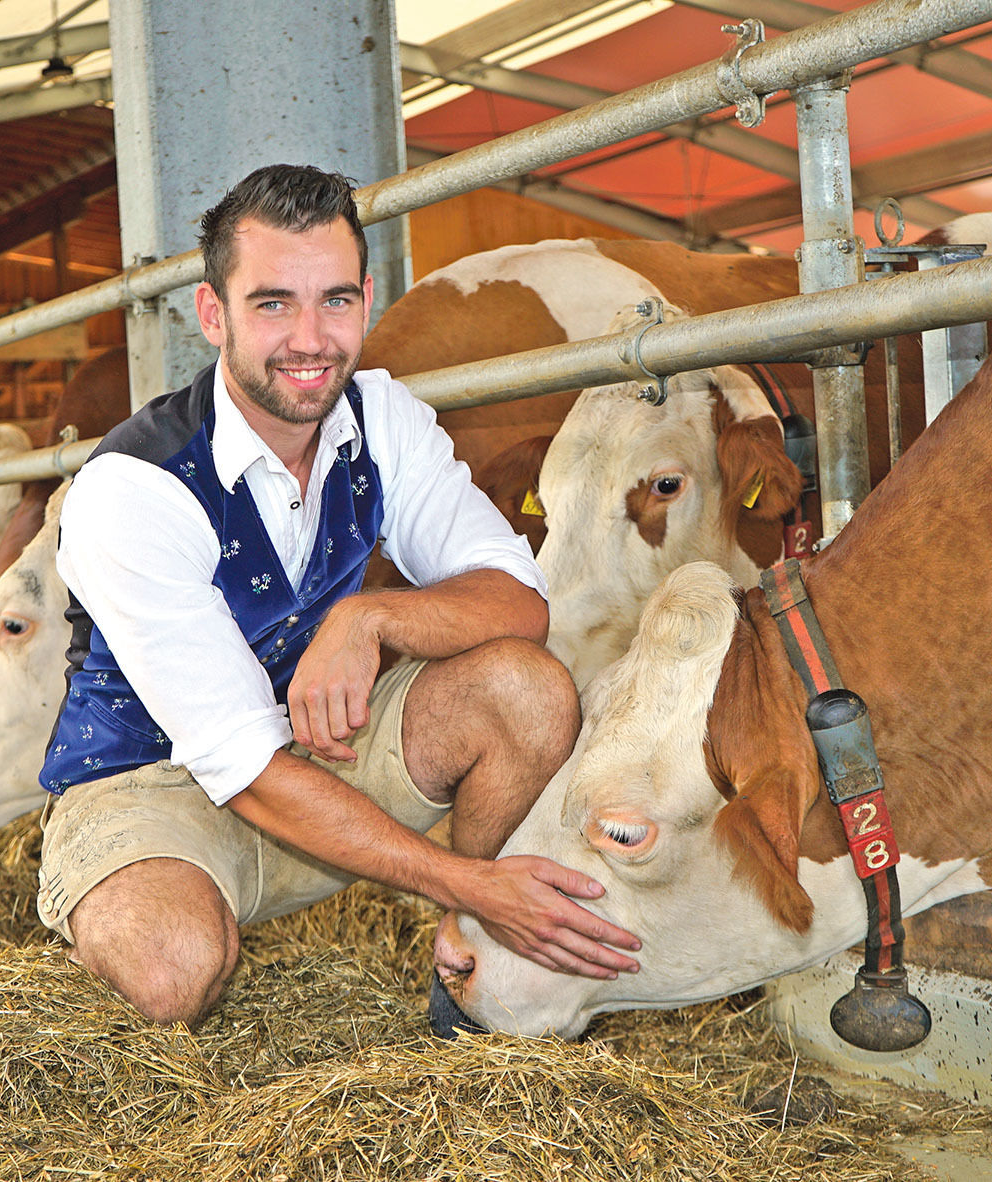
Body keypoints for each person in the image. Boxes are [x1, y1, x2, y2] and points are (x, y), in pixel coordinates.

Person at [34, 163, 640, 1026]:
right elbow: (240, 767)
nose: (310, 338)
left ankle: (475, 982)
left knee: (524, 688)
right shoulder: (135, 487)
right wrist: (474, 879)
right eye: (273, 303)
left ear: (365, 300)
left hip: (321, 748)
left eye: (336, 301)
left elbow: (517, 601)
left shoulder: (381, 419)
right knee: (171, 970)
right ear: (214, 314)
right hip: (151, 783)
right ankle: (118, 900)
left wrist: (372, 615)